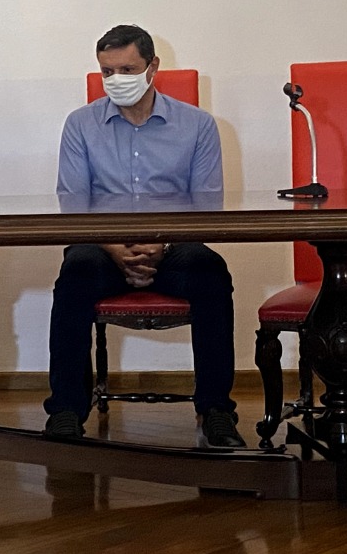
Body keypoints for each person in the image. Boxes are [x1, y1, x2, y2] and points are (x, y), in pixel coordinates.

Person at [44, 25, 245, 448]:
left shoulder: (198, 125)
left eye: (127, 69)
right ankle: (65, 411)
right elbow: (73, 204)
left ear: (153, 67)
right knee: (75, 273)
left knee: (211, 273)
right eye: (107, 71)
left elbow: (207, 207)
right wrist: (115, 247)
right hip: (102, 245)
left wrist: (162, 243)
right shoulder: (80, 124)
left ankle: (217, 410)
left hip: (174, 245)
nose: (116, 79)